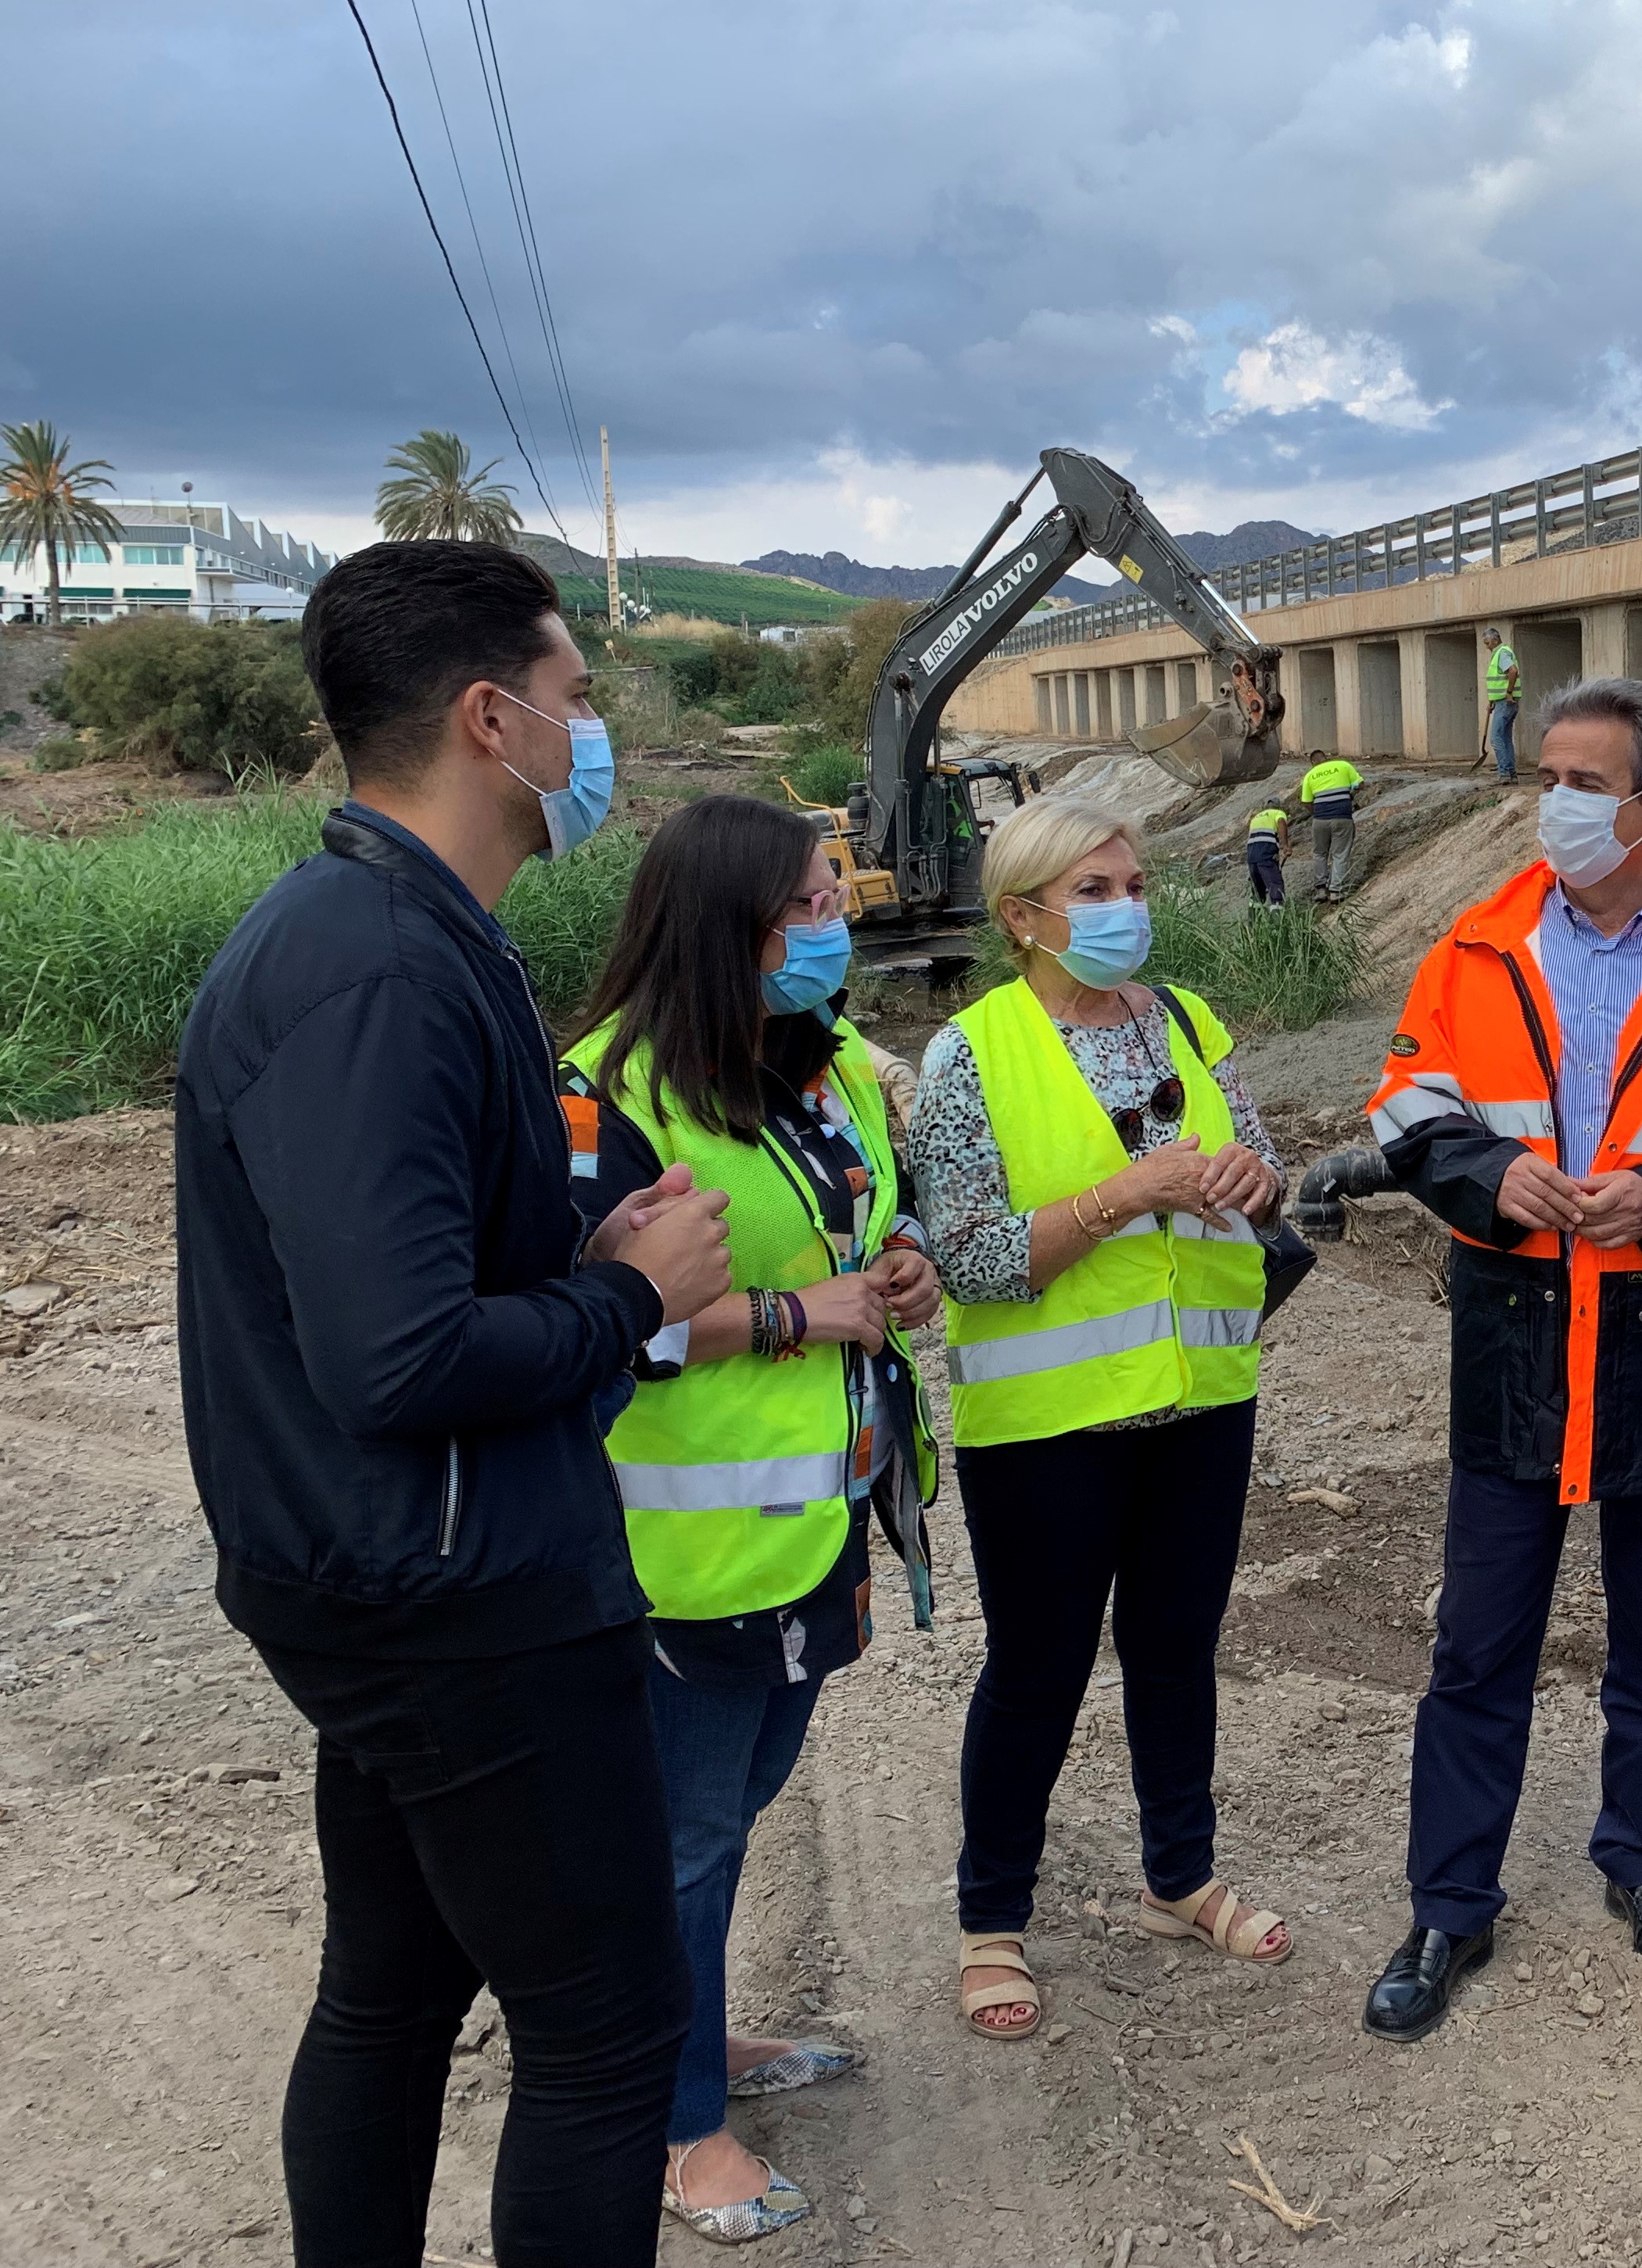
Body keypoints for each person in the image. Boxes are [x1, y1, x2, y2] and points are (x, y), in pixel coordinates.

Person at [176, 540, 732, 2268]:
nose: (590, 735)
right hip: (457, 1598)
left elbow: (407, 1258)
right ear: (490, 719)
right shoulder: (379, 971)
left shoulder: (404, 932)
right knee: (604, 2039)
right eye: (575, 701)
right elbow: (399, 1358)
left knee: (395, 1989)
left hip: (390, 1575)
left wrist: (577, 1238)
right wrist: (634, 1296)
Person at [1357, 677, 1642, 2041]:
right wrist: (1489, 1171)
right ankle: (1451, 1900)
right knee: (1477, 1644)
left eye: (1583, 778)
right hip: (1514, 1344)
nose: (1552, 800)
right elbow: (1406, 1101)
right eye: (1544, 774)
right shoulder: (1475, 943)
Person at [557, 795, 942, 2245]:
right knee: (686, 1836)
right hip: (690, 1547)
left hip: (824, 1516)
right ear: (723, 923)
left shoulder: (826, 1064)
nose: (830, 929)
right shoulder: (611, 1095)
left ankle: (694, 2034)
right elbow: (581, 1321)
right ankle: (676, 2119)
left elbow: (864, 1221)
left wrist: (893, 1265)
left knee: (735, 1806)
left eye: (834, 900)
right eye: (805, 907)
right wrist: (797, 1313)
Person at [907, 798, 1295, 2042]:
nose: (1129, 907)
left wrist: (1251, 1177)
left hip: (1201, 1402)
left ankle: (1179, 1879)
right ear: (1024, 918)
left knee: (1179, 1650)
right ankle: (992, 1925)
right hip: (1048, 1427)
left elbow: (1266, 1162)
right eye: (1097, 888)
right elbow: (965, 1259)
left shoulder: (1184, 1021)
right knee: (1038, 1673)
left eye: (1133, 883)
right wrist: (1130, 1192)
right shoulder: (973, 1053)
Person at [1296, 748, 1364, 901]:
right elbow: (1360, 784)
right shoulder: (1343, 765)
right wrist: (1350, 793)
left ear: (1313, 763)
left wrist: (1318, 813)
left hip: (1320, 820)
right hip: (1342, 817)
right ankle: (1336, 892)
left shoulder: (1310, 775)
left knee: (1320, 854)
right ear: (1326, 758)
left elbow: (1306, 801)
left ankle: (1321, 890)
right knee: (1340, 854)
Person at [1481, 625, 1522, 782]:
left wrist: (1509, 693)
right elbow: (1498, 682)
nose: (1487, 647)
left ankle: (1504, 773)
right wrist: (1492, 700)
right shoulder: (1499, 653)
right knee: (1505, 738)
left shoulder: (1502, 653)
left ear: (1496, 639)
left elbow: (1513, 671)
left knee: (1496, 738)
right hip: (1502, 702)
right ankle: (1511, 774)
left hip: (1506, 703)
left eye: (1487, 643)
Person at [1245, 798, 1289, 906]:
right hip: (1266, 850)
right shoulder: (1278, 813)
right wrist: (1285, 845)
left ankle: (1254, 919)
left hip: (1251, 854)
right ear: (1278, 806)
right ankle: (1277, 915)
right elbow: (1281, 822)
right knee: (1275, 883)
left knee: (1257, 888)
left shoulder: (1256, 817)